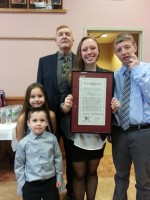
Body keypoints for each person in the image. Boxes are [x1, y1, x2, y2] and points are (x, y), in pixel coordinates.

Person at [60, 36, 120, 200]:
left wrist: (114, 106)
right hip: (76, 136)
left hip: (96, 135)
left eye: (93, 48)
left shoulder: (109, 77)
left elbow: (112, 104)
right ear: (80, 52)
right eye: (85, 49)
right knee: (79, 175)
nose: (89, 52)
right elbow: (62, 106)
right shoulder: (71, 76)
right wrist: (66, 105)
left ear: (98, 51)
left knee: (93, 172)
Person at [37, 25, 75, 199]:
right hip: (50, 118)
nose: (64, 36)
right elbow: (39, 91)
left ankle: (72, 190)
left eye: (67, 34)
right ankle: (51, 191)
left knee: (73, 158)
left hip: (73, 119)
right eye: (60, 34)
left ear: (73, 40)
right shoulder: (44, 62)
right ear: (55, 40)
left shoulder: (81, 62)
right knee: (49, 156)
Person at [111, 33, 150, 200]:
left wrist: (137, 71)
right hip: (120, 132)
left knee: (144, 181)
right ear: (116, 54)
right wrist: (112, 107)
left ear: (135, 46)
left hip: (143, 133)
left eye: (127, 47)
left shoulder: (147, 69)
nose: (124, 52)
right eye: (119, 49)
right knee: (120, 177)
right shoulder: (115, 76)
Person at [15, 106, 63, 200]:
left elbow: (58, 158)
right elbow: (19, 165)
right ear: (29, 123)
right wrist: (22, 184)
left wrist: (59, 177)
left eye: (42, 120)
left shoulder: (52, 139)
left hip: (50, 182)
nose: (38, 123)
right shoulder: (23, 143)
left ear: (46, 123)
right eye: (35, 120)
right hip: (30, 183)